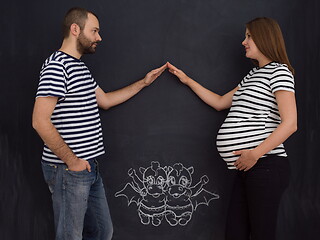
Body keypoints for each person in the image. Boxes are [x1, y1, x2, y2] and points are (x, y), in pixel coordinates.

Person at [32, 7, 166, 240]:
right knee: (69, 236)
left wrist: (143, 83)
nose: (99, 37)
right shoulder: (57, 66)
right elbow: (39, 121)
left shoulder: (80, 67)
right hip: (69, 170)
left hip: (88, 168)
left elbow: (105, 100)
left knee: (102, 232)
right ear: (75, 29)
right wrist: (72, 161)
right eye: (94, 31)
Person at [167, 17, 297, 240]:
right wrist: (187, 80)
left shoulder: (279, 72)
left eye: (249, 36)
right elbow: (219, 102)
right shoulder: (253, 75)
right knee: (234, 233)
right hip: (247, 168)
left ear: (264, 38)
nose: (243, 41)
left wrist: (255, 154)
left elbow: (291, 123)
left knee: (261, 234)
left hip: (265, 165)